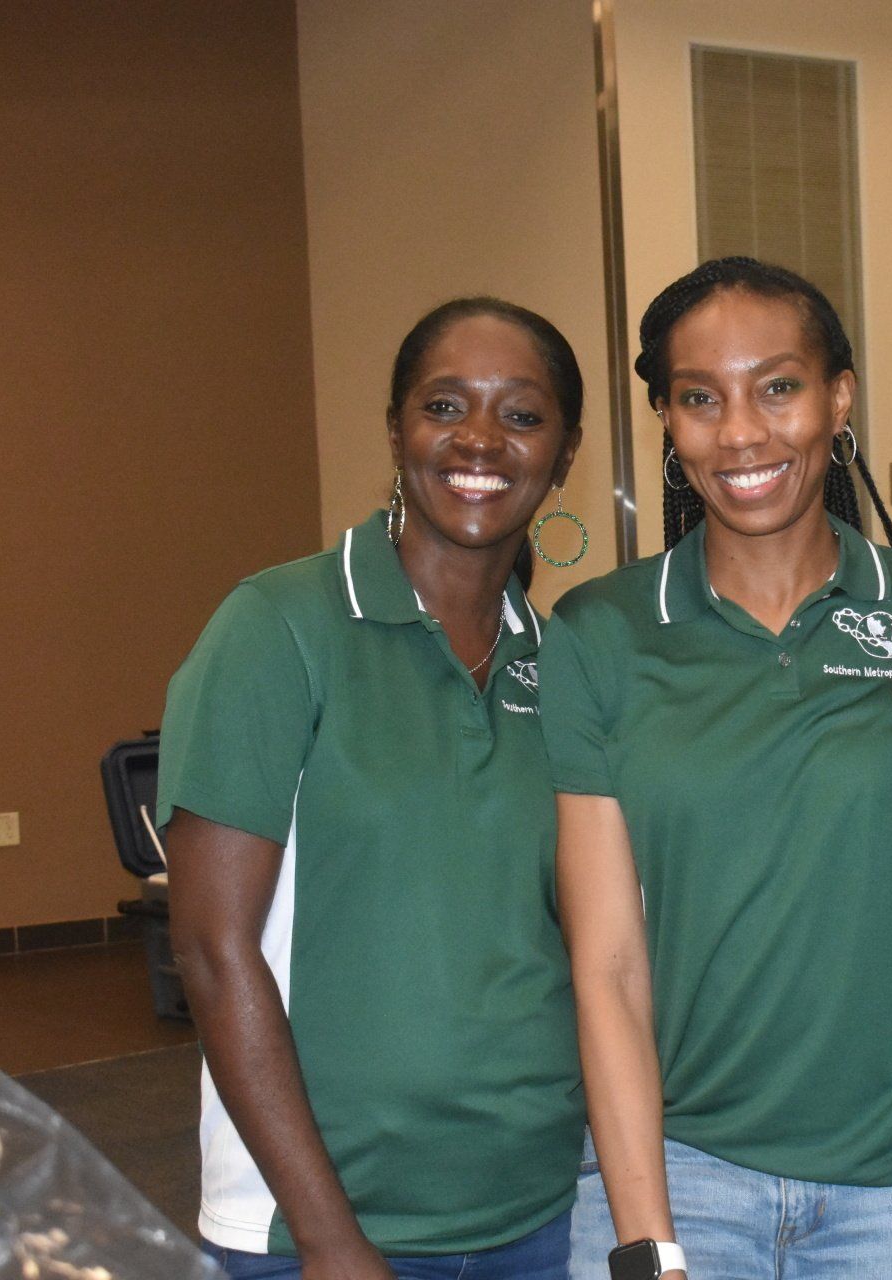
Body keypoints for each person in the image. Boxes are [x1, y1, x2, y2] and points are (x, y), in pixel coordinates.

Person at [539, 258, 892, 1280]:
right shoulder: (604, 632)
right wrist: (648, 1242)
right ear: (667, 421)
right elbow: (608, 964)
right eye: (700, 398)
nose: (740, 432)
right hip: (677, 1171)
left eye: (778, 387)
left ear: (839, 397)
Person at [158, 298, 588, 1279]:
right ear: (396, 430)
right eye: (445, 406)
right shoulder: (278, 627)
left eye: (523, 415)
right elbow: (212, 951)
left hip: (539, 1213)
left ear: (564, 455)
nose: (480, 440)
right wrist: (330, 1239)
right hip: (317, 1228)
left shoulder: (559, 662)